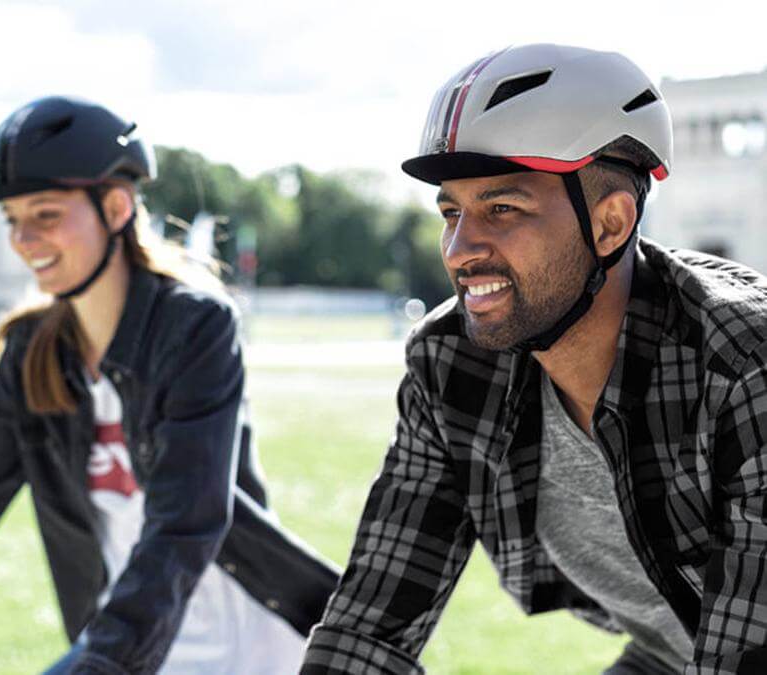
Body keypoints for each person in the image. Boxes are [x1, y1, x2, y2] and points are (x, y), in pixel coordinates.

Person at [300, 44, 767, 674]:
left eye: (502, 208)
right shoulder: (449, 362)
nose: (461, 249)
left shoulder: (743, 366)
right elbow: (370, 622)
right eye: (451, 212)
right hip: (671, 654)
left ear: (610, 223)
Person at [0, 96, 338, 674]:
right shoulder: (31, 354)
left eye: (45, 215)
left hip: (246, 647)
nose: (24, 240)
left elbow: (184, 524)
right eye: (13, 220)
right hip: (122, 644)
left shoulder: (193, 326)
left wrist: (106, 664)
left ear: (115, 207)